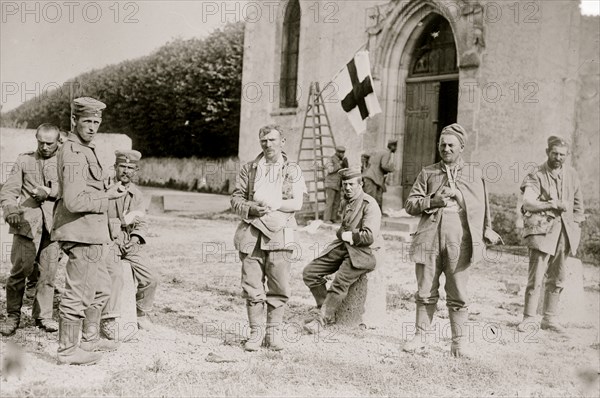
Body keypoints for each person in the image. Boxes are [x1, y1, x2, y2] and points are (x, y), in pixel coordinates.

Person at [403, 123, 502, 357]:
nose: (446, 149)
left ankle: (458, 343)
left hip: (460, 239)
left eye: (451, 145)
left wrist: (460, 196)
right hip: (429, 238)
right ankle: (419, 337)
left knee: (458, 291)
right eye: (442, 144)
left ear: (462, 147)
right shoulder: (427, 173)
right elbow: (410, 204)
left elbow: (482, 206)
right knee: (425, 289)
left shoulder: (474, 174)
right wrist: (433, 200)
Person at [52, 97, 127, 365]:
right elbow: (73, 201)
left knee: (100, 289)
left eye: (97, 122)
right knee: (78, 293)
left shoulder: (86, 149)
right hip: (80, 232)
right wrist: (107, 195)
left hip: (92, 233)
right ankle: (68, 351)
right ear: (74, 121)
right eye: (87, 121)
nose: (93, 127)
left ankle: (86, 341)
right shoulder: (73, 152)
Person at [230, 124, 306, 351]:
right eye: (264, 140)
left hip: (282, 231)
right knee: (252, 285)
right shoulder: (250, 169)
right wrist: (252, 208)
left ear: (282, 142)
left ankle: (273, 334)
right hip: (252, 231)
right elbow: (236, 199)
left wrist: (274, 205)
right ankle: (255, 334)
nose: (268, 144)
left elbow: (298, 203)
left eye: (273, 140)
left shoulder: (292, 170)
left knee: (279, 285)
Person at [516, 136, 585, 334]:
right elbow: (528, 203)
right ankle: (529, 318)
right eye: (554, 153)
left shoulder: (572, 175)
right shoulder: (535, 174)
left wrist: (576, 224)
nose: (558, 157)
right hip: (541, 232)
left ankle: (549, 318)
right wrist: (551, 204)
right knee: (536, 277)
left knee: (558, 276)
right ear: (547, 152)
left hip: (565, 232)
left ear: (567, 156)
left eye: (562, 154)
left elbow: (579, 204)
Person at [303, 166, 383, 333]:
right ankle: (325, 309)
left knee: (339, 282)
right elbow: (343, 228)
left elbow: (368, 236)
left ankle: (322, 319)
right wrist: (342, 234)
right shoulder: (346, 201)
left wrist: (345, 235)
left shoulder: (370, 204)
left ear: (361, 184)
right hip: (345, 247)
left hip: (365, 252)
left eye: (351, 184)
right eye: (345, 184)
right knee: (310, 272)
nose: (347, 188)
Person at [0, 123, 61, 336]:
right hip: (26, 225)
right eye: (40, 142)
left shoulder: (66, 161)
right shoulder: (24, 160)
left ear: (58, 141)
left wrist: (50, 192)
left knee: (48, 273)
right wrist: (10, 212)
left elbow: (73, 189)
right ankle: (12, 316)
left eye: (49, 143)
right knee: (19, 272)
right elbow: (9, 190)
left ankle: (43, 316)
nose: (44, 147)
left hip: (54, 226)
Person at [101, 149, 157, 335]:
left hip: (129, 240)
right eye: (122, 167)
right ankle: (108, 318)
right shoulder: (104, 189)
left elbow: (140, 220)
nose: (126, 171)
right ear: (115, 167)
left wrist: (134, 239)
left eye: (130, 168)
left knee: (150, 278)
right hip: (108, 240)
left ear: (136, 170)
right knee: (115, 275)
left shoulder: (137, 194)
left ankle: (142, 313)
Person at [362, 139, 397, 209]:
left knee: (376, 198)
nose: (396, 148)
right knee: (371, 199)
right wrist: (392, 169)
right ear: (392, 146)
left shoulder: (381, 151)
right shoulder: (387, 153)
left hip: (373, 178)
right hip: (373, 178)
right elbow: (384, 165)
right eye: (395, 146)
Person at [323, 146, 348, 223]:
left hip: (337, 184)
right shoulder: (330, 159)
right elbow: (330, 170)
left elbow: (343, 173)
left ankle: (333, 218)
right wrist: (339, 165)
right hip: (331, 184)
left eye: (343, 153)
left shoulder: (341, 160)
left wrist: (346, 166)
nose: (343, 154)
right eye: (341, 153)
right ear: (337, 152)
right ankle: (326, 219)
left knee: (337, 202)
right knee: (330, 202)